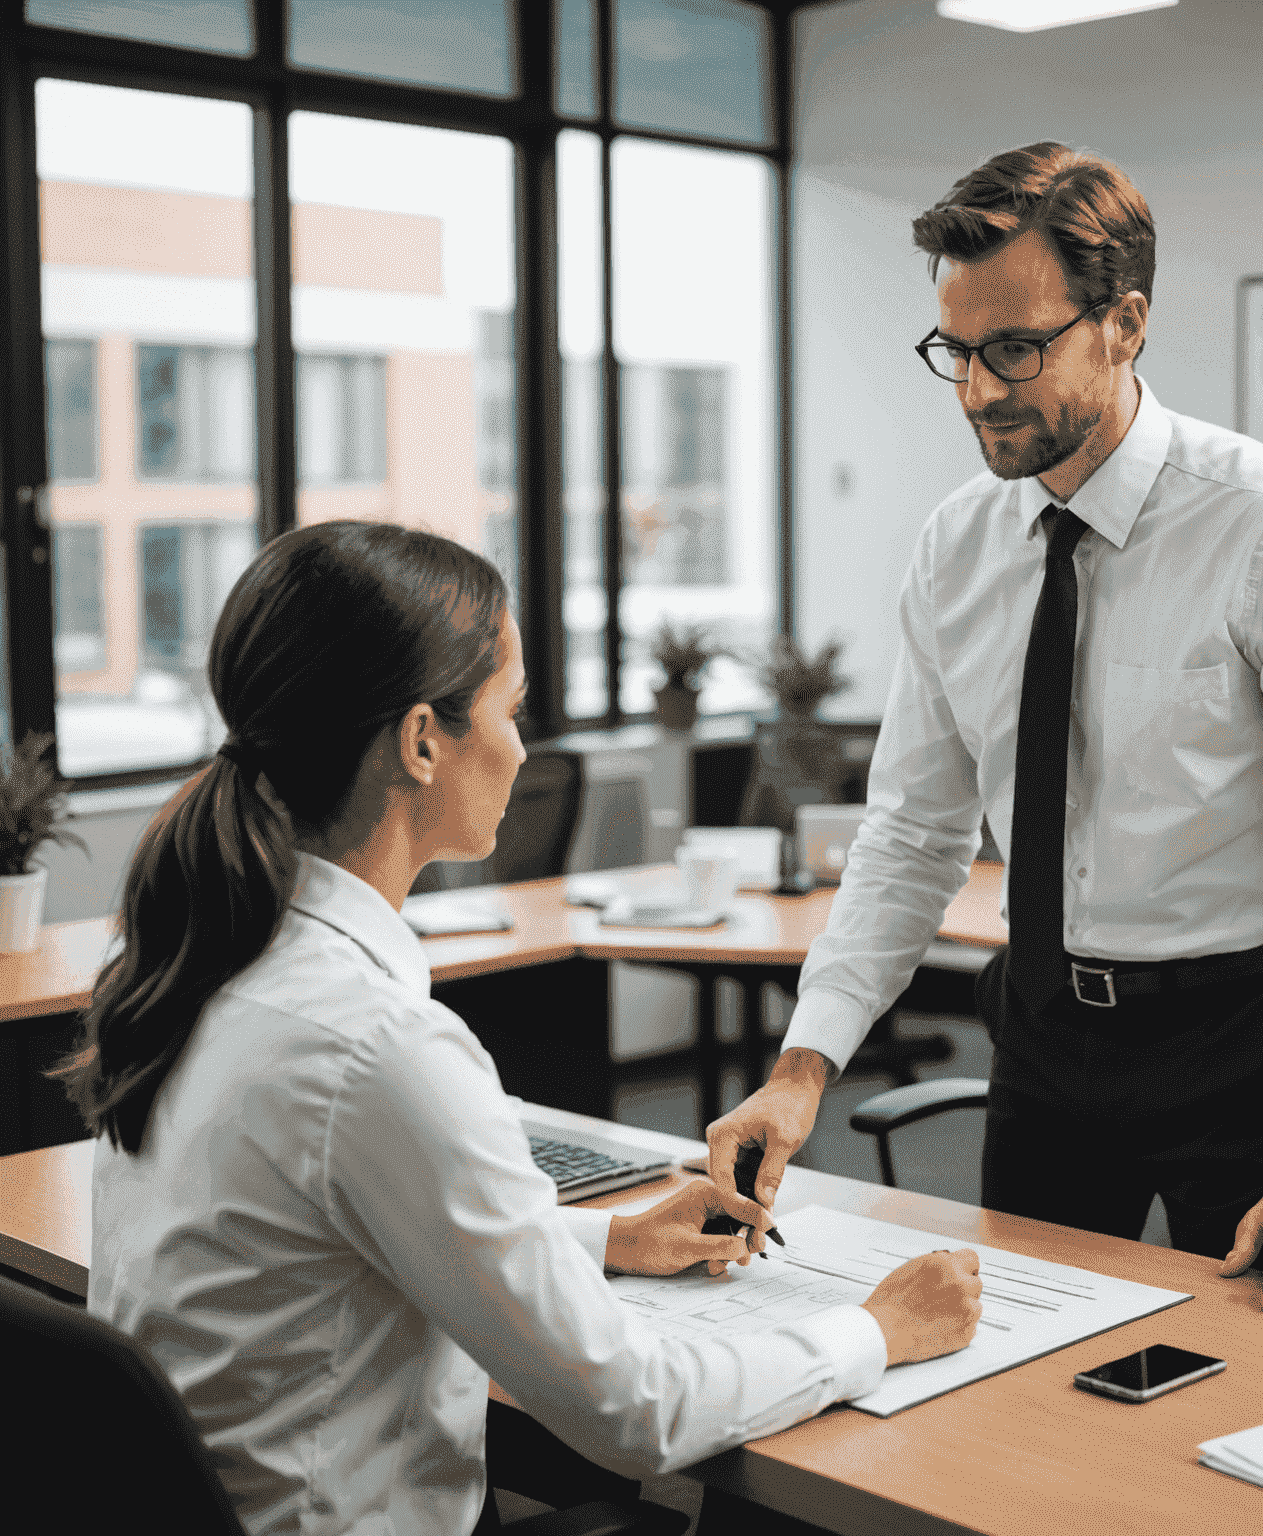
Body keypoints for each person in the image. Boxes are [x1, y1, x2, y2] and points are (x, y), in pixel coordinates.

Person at [52, 520, 983, 1536]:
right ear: (419, 741)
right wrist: (879, 1330)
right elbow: (640, 1411)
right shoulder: (378, 1047)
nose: (523, 746)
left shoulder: (200, 960)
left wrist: (603, 1237)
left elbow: (327, 1228)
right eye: (512, 709)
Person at [708, 142, 1263, 1318]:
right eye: (956, 351)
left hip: (1242, 1050)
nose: (980, 390)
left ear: (1125, 322)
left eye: (1016, 350)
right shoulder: (957, 547)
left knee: (1243, 1414)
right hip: (1045, 1041)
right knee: (1010, 1383)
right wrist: (803, 1071)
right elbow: (910, 833)